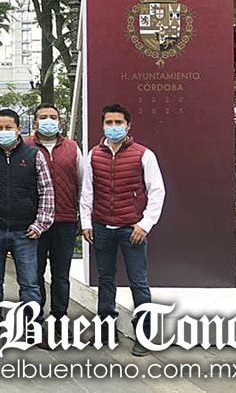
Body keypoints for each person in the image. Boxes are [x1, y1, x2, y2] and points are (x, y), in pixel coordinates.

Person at [80, 103, 165, 357]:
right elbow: (87, 191)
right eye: (109, 122)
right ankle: (106, 330)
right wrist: (86, 223)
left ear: (128, 126)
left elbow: (157, 192)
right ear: (103, 125)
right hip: (102, 227)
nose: (114, 127)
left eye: (119, 123)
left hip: (132, 229)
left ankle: (144, 335)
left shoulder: (144, 154)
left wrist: (144, 224)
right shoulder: (94, 154)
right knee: (105, 280)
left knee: (139, 282)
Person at [0, 108, 54, 345]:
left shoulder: (34, 155)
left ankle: (33, 329)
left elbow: (46, 190)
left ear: (19, 129)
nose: (3, 131)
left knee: (30, 285)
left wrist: (40, 224)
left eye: (8, 127)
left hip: (25, 231)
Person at [24, 104, 82, 336]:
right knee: (34, 274)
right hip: (34, 223)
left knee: (61, 275)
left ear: (60, 121)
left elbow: (82, 184)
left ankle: (59, 318)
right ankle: (35, 320)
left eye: (53, 117)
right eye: (43, 117)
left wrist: (81, 217)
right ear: (35, 122)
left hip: (64, 220)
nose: (49, 121)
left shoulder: (72, 148)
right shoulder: (25, 147)